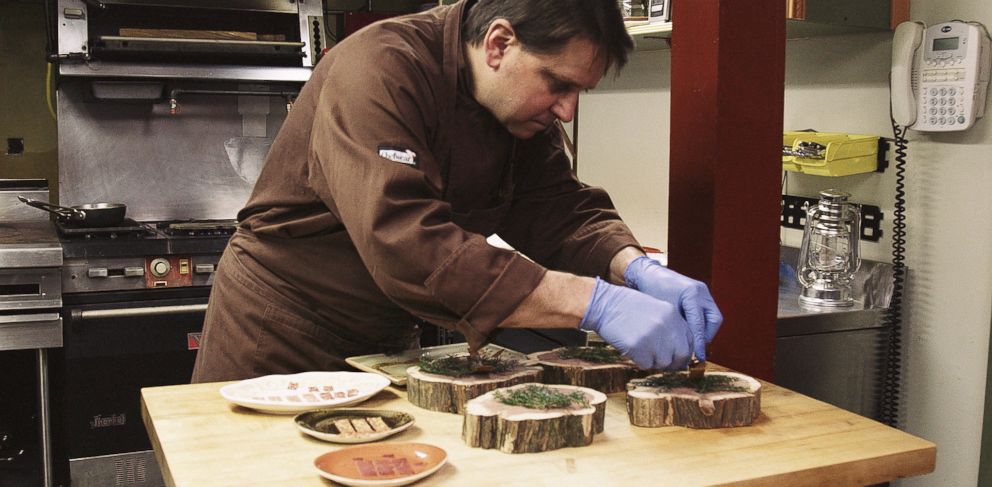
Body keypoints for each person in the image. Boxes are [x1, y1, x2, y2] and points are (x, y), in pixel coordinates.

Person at [191, 0, 723, 383]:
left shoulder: (513, 111)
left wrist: (634, 267)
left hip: (386, 344)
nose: (567, 110)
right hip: (281, 338)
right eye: (558, 84)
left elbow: (555, 206)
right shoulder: (379, 68)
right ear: (498, 43)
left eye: (579, 91)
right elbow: (405, 241)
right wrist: (595, 303)